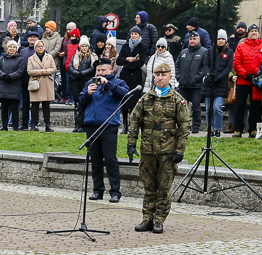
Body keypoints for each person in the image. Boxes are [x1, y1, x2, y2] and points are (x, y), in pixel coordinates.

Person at [127, 62, 189, 235]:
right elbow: (134, 121)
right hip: (147, 149)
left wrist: (180, 150)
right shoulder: (146, 98)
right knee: (149, 185)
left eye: (163, 75)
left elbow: (185, 125)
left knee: (163, 187)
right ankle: (147, 218)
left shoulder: (177, 99)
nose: (160, 78)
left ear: (170, 77)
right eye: (157, 75)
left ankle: (159, 219)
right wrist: (131, 143)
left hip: (167, 151)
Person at [80, 58, 130, 203]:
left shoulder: (118, 82)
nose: (100, 73)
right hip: (91, 125)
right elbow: (81, 102)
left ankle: (115, 191)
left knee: (110, 159)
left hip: (109, 126)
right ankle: (98, 190)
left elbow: (125, 95)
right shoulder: (90, 83)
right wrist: (87, 93)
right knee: (95, 159)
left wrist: (109, 84)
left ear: (110, 70)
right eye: (98, 70)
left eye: (103, 70)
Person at [233, 24, 262, 138]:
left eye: (256, 31)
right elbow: (236, 63)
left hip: (257, 81)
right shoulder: (241, 46)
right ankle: (238, 129)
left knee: (255, 106)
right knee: (240, 106)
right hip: (243, 81)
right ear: (248, 33)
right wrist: (246, 75)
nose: (254, 33)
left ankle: (253, 129)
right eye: (252, 31)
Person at [176, 31, 209, 133]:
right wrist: (178, 77)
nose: (192, 41)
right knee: (181, 106)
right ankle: (182, 125)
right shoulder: (183, 52)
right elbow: (177, 65)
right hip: (183, 84)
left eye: (194, 39)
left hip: (196, 85)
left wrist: (197, 78)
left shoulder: (204, 52)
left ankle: (196, 126)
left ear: (199, 40)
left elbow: (205, 68)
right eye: (191, 39)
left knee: (196, 106)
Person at [206, 30, 234, 137]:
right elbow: (206, 65)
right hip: (209, 84)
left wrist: (217, 78)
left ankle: (217, 128)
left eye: (222, 39)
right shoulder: (210, 51)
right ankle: (210, 129)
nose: (220, 41)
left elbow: (227, 68)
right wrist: (209, 75)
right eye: (219, 39)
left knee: (217, 108)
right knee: (208, 109)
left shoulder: (229, 52)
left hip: (221, 84)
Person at [118, 27, 146, 131]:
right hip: (125, 75)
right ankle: (125, 125)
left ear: (139, 35)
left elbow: (142, 61)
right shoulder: (125, 46)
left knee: (134, 102)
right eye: (132, 34)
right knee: (125, 100)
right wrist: (127, 59)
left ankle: (133, 125)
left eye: (135, 34)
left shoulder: (143, 46)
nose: (133, 36)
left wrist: (131, 63)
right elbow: (119, 61)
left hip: (136, 76)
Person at [27, 39, 57, 133]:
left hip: (47, 82)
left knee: (46, 105)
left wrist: (46, 72)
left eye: (42, 46)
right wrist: (40, 72)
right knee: (34, 105)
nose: (41, 48)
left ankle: (47, 125)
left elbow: (54, 68)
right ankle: (33, 124)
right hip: (36, 82)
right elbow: (29, 71)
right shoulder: (31, 58)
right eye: (39, 46)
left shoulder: (49, 57)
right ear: (35, 48)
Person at [68, 37, 97, 132]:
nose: (84, 48)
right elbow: (70, 66)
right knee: (77, 104)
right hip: (76, 81)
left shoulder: (92, 56)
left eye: (86, 46)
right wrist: (76, 73)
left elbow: (93, 68)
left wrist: (83, 73)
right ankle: (77, 124)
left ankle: (84, 124)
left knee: (85, 103)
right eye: (82, 46)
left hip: (86, 80)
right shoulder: (75, 56)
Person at [0, 40, 24, 131]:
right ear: (7, 48)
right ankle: (4, 126)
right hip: (3, 86)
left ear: (16, 49)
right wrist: (3, 76)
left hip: (14, 86)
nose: (12, 49)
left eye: (14, 47)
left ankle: (15, 127)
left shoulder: (20, 59)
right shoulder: (2, 58)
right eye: (10, 47)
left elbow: (20, 71)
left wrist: (10, 77)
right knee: (4, 109)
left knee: (15, 109)